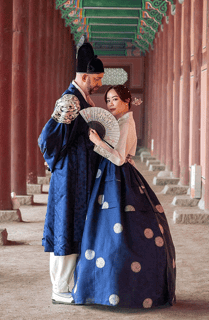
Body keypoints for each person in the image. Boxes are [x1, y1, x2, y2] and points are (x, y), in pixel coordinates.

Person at [72, 85, 176, 308]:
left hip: (118, 178)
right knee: (109, 231)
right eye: (108, 100)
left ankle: (118, 290)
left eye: (115, 99)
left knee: (117, 232)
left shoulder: (127, 122)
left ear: (127, 101)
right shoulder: (121, 121)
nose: (110, 104)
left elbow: (119, 159)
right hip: (112, 176)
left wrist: (98, 142)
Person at [38, 43, 104, 304]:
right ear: (84, 76)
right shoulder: (70, 100)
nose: (99, 83)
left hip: (79, 174)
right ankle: (60, 289)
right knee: (66, 227)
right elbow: (47, 138)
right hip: (70, 176)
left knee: (75, 227)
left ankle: (68, 285)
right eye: (97, 79)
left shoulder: (82, 97)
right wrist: (55, 162)